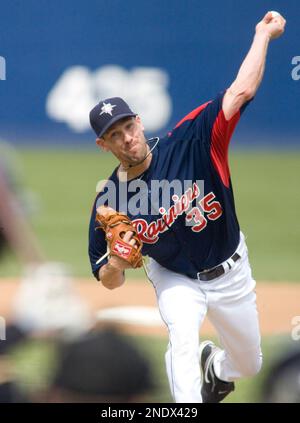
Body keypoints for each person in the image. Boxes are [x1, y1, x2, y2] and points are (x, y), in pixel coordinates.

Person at [88, 12, 286, 403]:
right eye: (115, 135)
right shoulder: (108, 201)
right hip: (175, 277)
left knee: (249, 365)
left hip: (230, 268)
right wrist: (116, 262)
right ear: (104, 145)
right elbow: (107, 278)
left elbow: (240, 92)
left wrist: (262, 35)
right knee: (181, 334)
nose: (126, 138)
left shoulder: (191, 140)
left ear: (140, 123)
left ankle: (214, 367)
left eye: (128, 126)